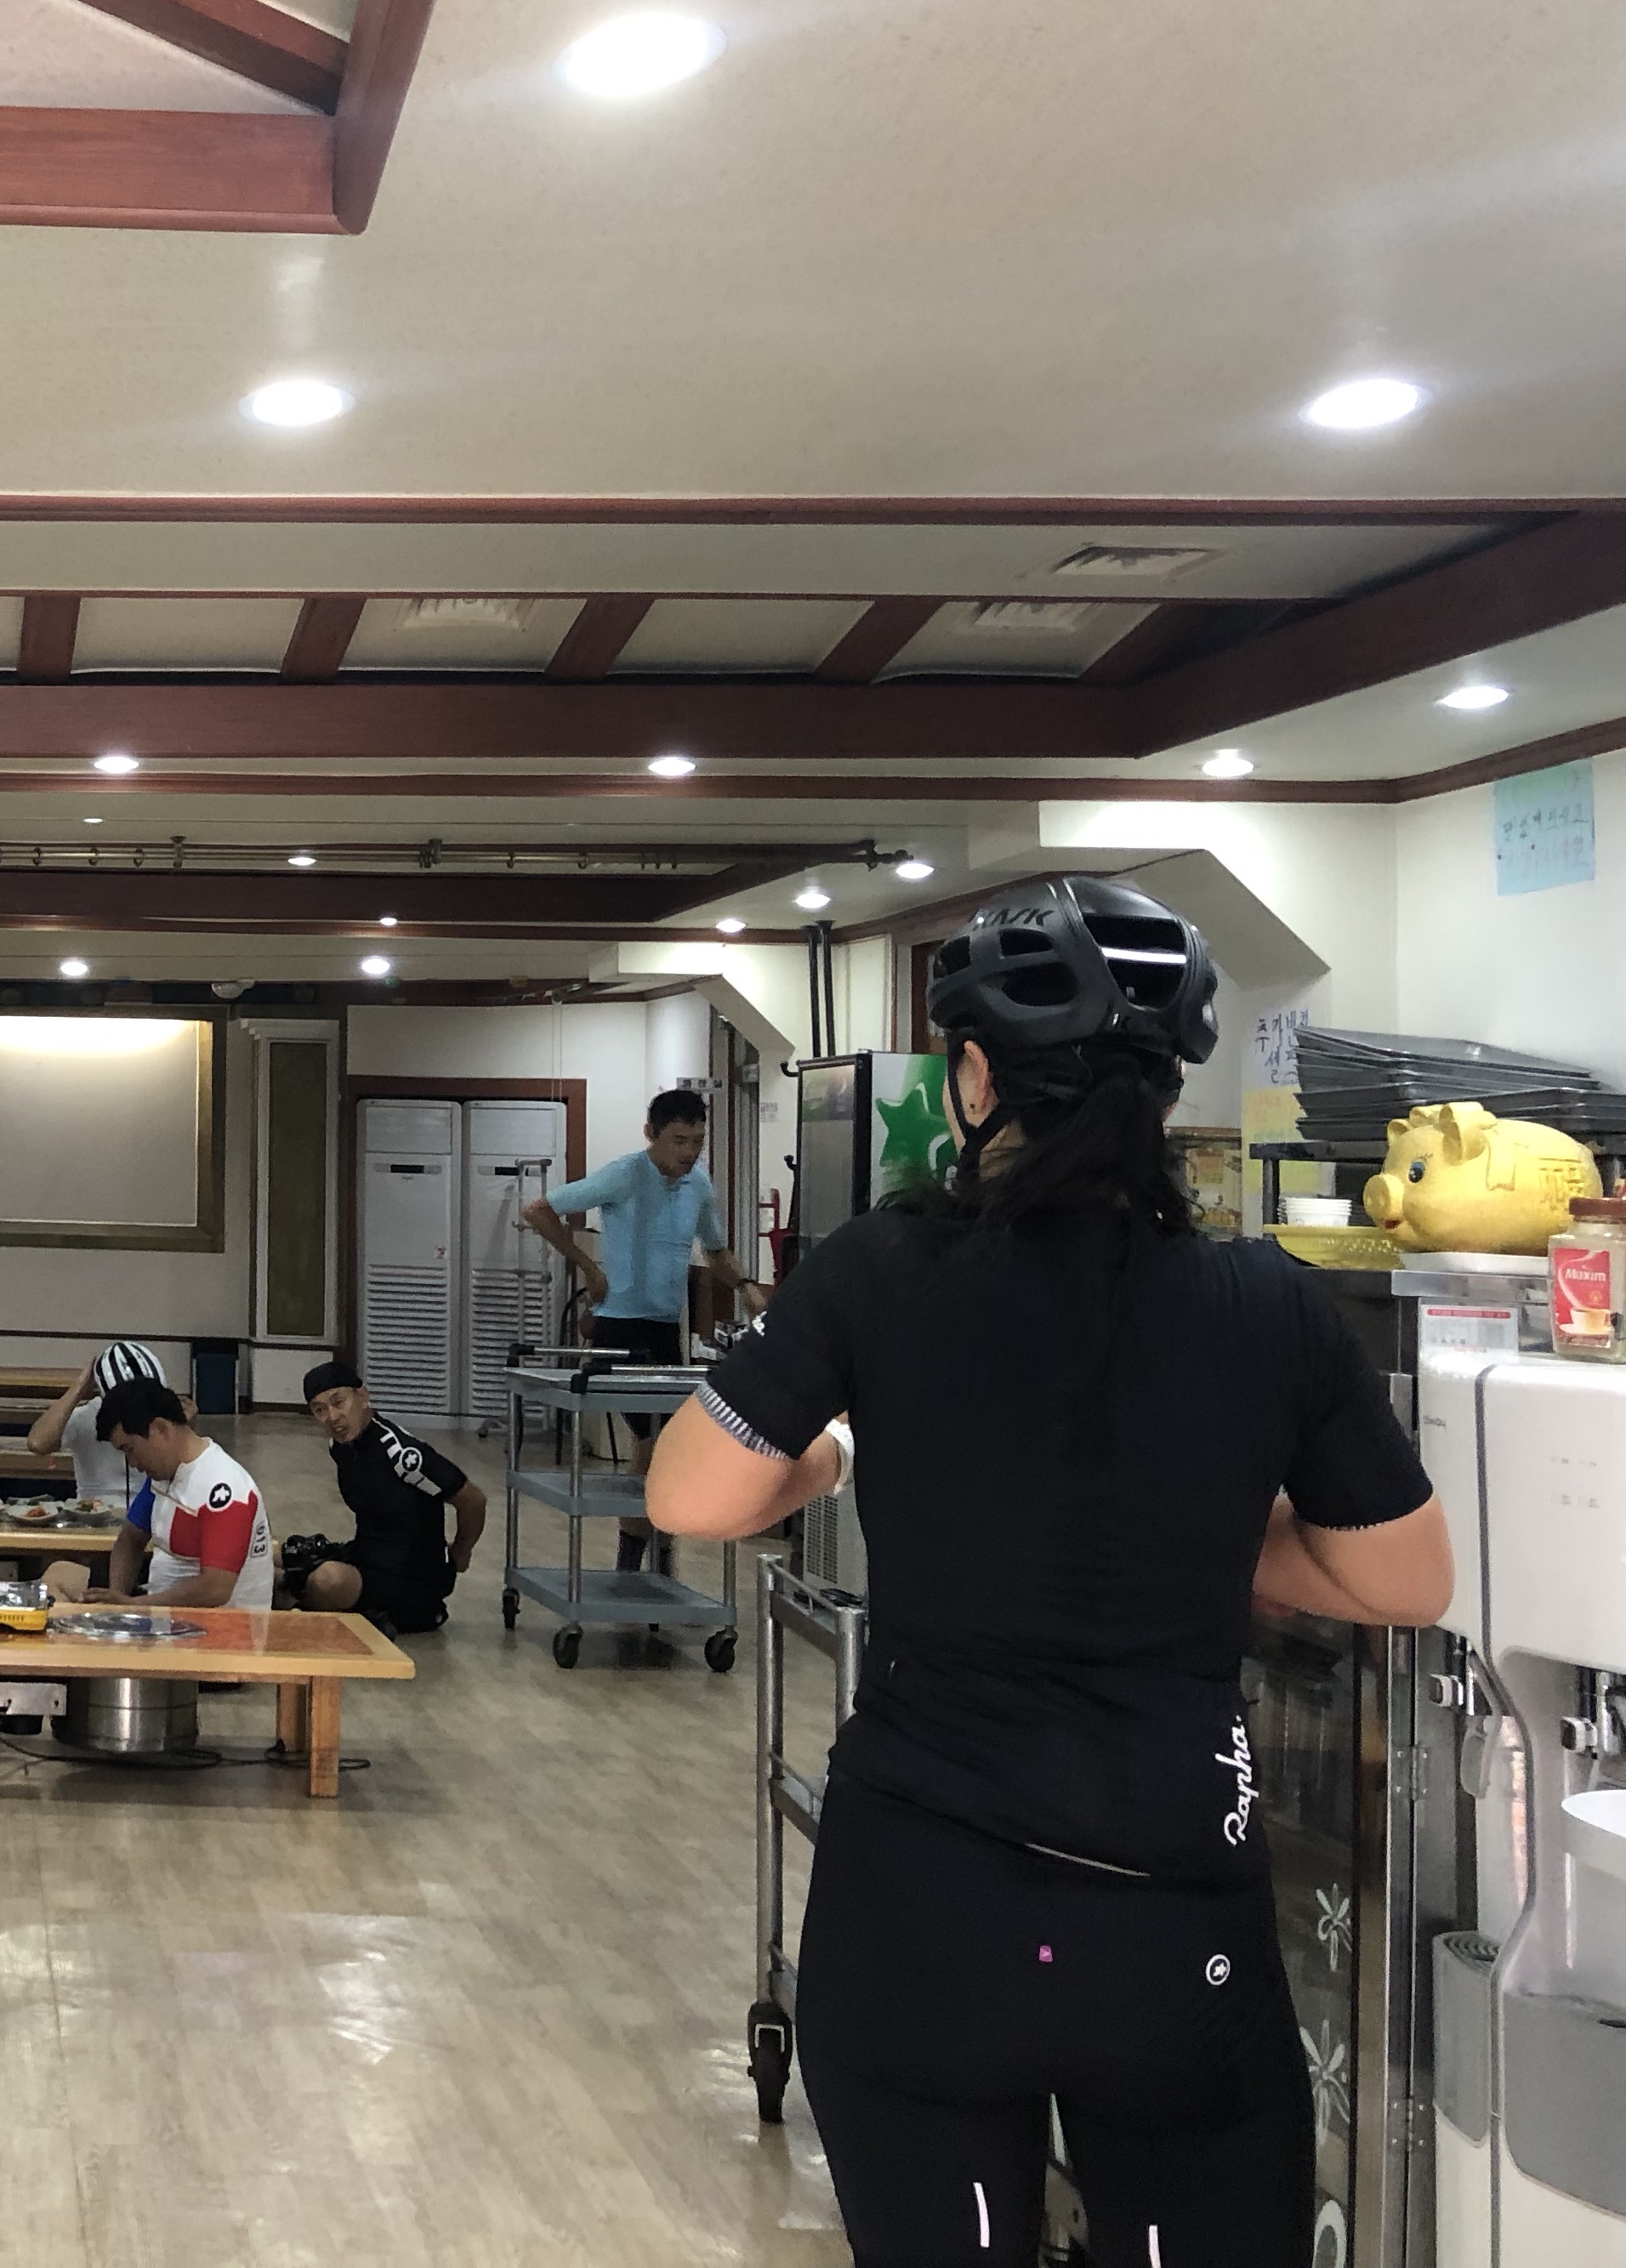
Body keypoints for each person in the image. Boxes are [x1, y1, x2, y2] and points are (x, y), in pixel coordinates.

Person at [644, 876, 1451, 2265]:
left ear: (973, 1078)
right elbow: (1404, 1580)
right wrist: (1209, 1542)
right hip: (1171, 1919)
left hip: (921, 1905)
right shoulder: (1267, 1301)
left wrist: (831, 1460)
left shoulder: (882, 1265)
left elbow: (691, 1493)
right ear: (1167, 1087)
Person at [524, 1085, 765, 1574]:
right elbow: (538, 1210)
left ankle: (654, 1556)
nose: (688, 1153)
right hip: (620, 1327)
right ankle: (638, 1560)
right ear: (651, 1134)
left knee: (664, 1448)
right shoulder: (625, 1174)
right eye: (679, 1141)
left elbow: (715, 1250)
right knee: (656, 1443)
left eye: (697, 1142)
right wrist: (587, 1267)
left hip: (663, 1329)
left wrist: (745, 1287)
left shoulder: (698, 1184)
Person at [286, 1358, 487, 1633]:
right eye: (320, 1410)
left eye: (339, 1402)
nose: (332, 1417)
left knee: (328, 1581)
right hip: (366, 1558)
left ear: (362, 1396)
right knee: (278, 1554)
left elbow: (473, 1500)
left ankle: (290, 1609)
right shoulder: (341, 1447)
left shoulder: (402, 1455)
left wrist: (460, 1552)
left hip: (412, 1578)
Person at [87, 1379, 274, 1609]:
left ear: (161, 1428)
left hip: (224, 1627)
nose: (132, 1462)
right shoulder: (162, 1477)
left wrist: (133, 1606)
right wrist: (117, 1603)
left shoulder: (225, 1488)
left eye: (130, 1449)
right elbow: (129, 1539)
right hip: (167, 1617)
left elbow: (216, 1589)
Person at [25, 1339, 167, 1503]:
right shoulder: (88, 1415)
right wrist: (79, 1388)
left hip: (152, 1509)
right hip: (94, 1512)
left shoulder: (164, 1417)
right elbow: (38, 1443)